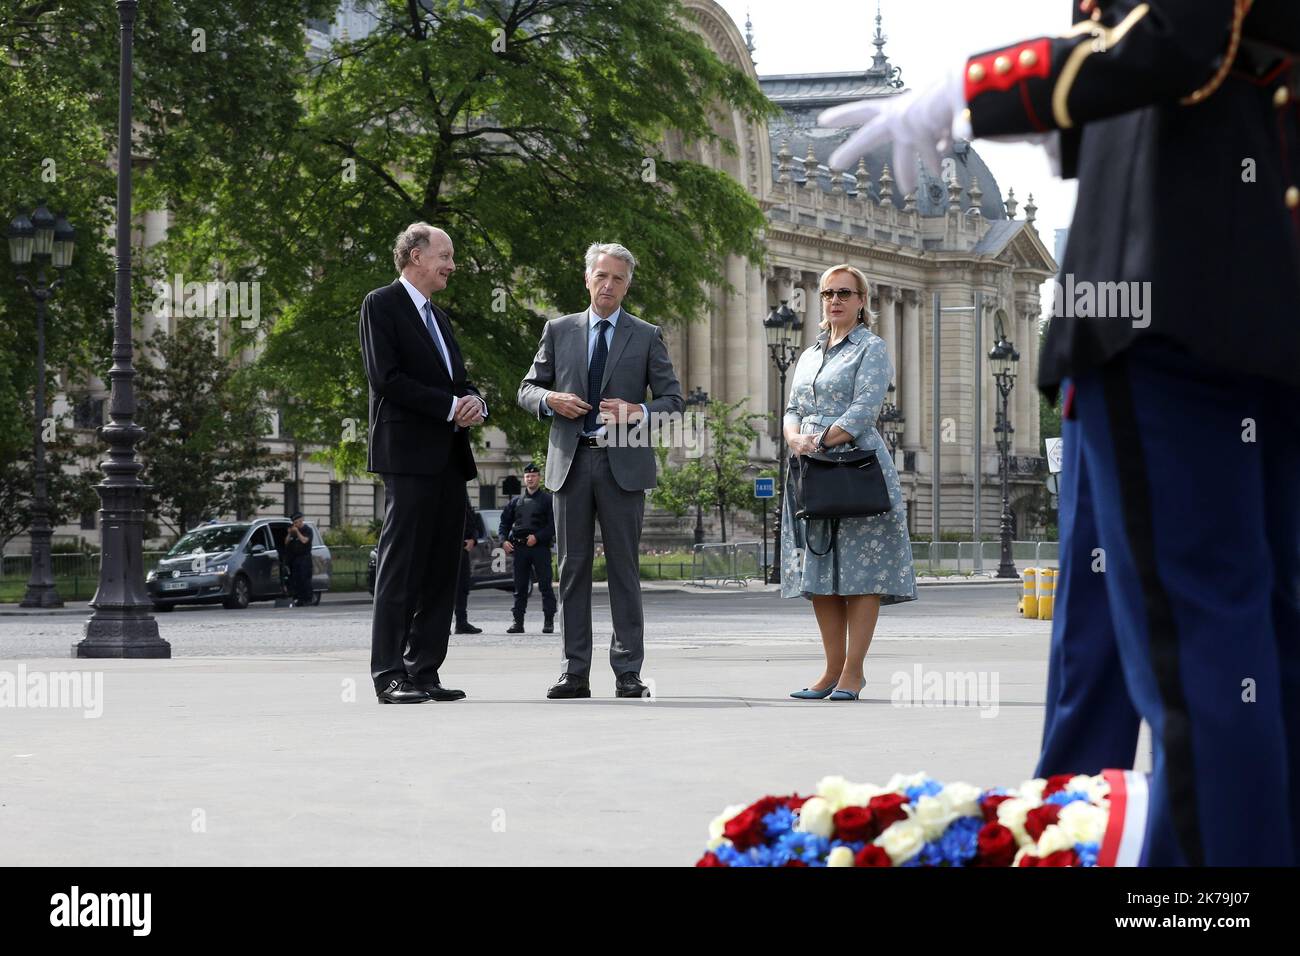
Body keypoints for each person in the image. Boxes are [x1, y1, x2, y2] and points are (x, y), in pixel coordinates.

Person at [822, 0, 1300, 864]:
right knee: (1119, 658)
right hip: (1226, 300)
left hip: (1166, 307)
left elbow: (1173, 39)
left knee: (1209, 661)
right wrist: (1079, 130)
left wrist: (980, 86)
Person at [517, 242, 684, 699]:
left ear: (628, 285)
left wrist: (638, 410)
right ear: (587, 279)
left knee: (624, 571)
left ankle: (628, 671)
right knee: (571, 569)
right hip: (570, 463)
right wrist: (550, 400)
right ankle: (575, 671)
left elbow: (674, 402)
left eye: (618, 278)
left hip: (623, 463)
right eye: (601, 276)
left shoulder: (646, 335)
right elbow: (526, 389)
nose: (608, 285)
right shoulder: (558, 330)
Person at [359, 222, 487, 705]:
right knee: (401, 567)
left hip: (450, 458)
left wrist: (474, 402)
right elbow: (386, 378)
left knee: (441, 569)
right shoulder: (381, 304)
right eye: (445, 256)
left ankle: (423, 670)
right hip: (408, 457)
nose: (452, 266)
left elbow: (460, 379)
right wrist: (449, 407)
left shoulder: (441, 318)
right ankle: (389, 673)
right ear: (415, 256)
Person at [779, 265, 916, 702]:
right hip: (810, 470)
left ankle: (853, 672)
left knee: (862, 573)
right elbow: (791, 407)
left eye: (844, 293)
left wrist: (817, 440)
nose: (834, 300)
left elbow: (863, 411)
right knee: (819, 571)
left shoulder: (872, 349)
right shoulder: (808, 354)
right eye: (827, 293)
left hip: (856, 467)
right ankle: (830, 670)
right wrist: (794, 437)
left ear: (861, 301)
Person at [499, 462, 557, 634]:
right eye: (527, 476)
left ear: (539, 478)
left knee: (545, 586)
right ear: (524, 479)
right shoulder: (515, 502)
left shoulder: (548, 500)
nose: (530, 478)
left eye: (533, 476)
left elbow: (553, 525)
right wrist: (503, 541)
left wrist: (537, 537)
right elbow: (504, 523)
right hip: (520, 549)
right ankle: (518, 622)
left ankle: (548, 621)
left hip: (540, 548)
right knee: (520, 587)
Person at [455, 493, 483, 635]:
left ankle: (461, 622)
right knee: (444, 589)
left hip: (463, 548)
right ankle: (441, 624)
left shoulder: (463, 493)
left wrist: (473, 538)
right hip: (445, 547)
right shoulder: (442, 488)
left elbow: (471, 518)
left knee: (462, 587)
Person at [282, 512, 314, 608]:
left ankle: (308, 599)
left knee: (305, 579)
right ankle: (299, 599)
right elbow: (286, 543)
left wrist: (297, 532)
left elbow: (304, 541)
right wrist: (289, 533)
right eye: (294, 523)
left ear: (301, 520)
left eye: (297, 522)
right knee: (296, 579)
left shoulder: (307, 530)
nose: (296, 525)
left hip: (305, 558)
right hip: (295, 559)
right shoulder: (293, 531)